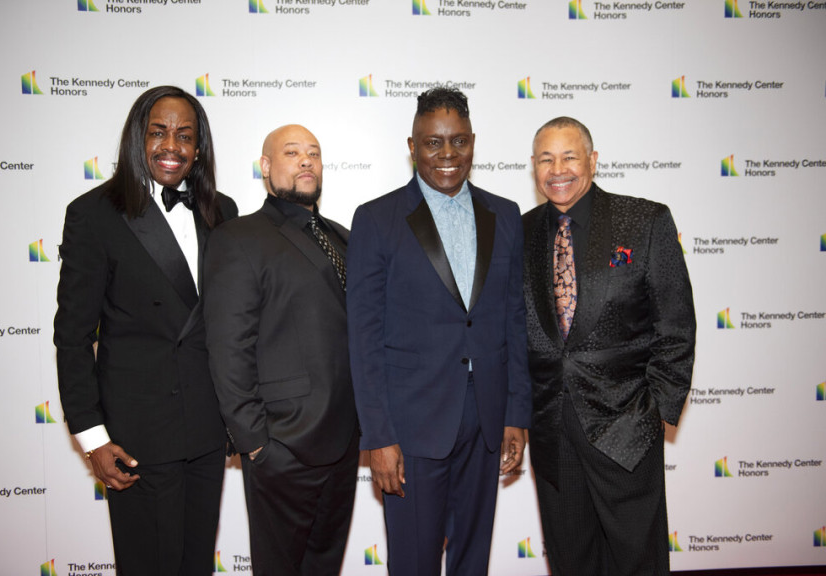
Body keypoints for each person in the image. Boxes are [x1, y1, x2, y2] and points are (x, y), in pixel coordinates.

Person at [54, 85, 238, 575]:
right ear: (138, 138)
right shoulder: (94, 215)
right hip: (136, 438)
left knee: (195, 563)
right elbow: (72, 335)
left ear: (199, 148)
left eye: (184, 135)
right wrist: (92, 436)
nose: (171, 146)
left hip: (205, 431)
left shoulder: (224, 213)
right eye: (158, 132)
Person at [347, 87, 531, 576]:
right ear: (412, 146)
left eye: (459, 142)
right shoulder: (376, 219)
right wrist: (378, 436)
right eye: (433, 143)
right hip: (410, 428)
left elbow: (513, 319)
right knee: (413, 561)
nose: (447, 155)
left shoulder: (506, 214)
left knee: (473, 559)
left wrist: (516, 412)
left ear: (474, 143)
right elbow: (363, 339)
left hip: (486, 422)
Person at [523, 116, 696, 575]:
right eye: (545, 158)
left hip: (626, 425)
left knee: (637, 558)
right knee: (571, 558)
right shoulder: (519, 233)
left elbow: (676, 324)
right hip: (552, 430)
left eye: (569, 156)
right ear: (533, 167)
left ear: (593, 161)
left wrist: (655, 409)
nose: (557, 169)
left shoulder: (644, 220)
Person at [203, 125, 359, 576]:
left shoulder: (343, 236)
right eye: (292, 153)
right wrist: (255, 443)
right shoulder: (238, 238)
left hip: (346, 442)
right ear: (266, 167)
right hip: (282, 447)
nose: (306, 160)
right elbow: (228, 347)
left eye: (314, 153)